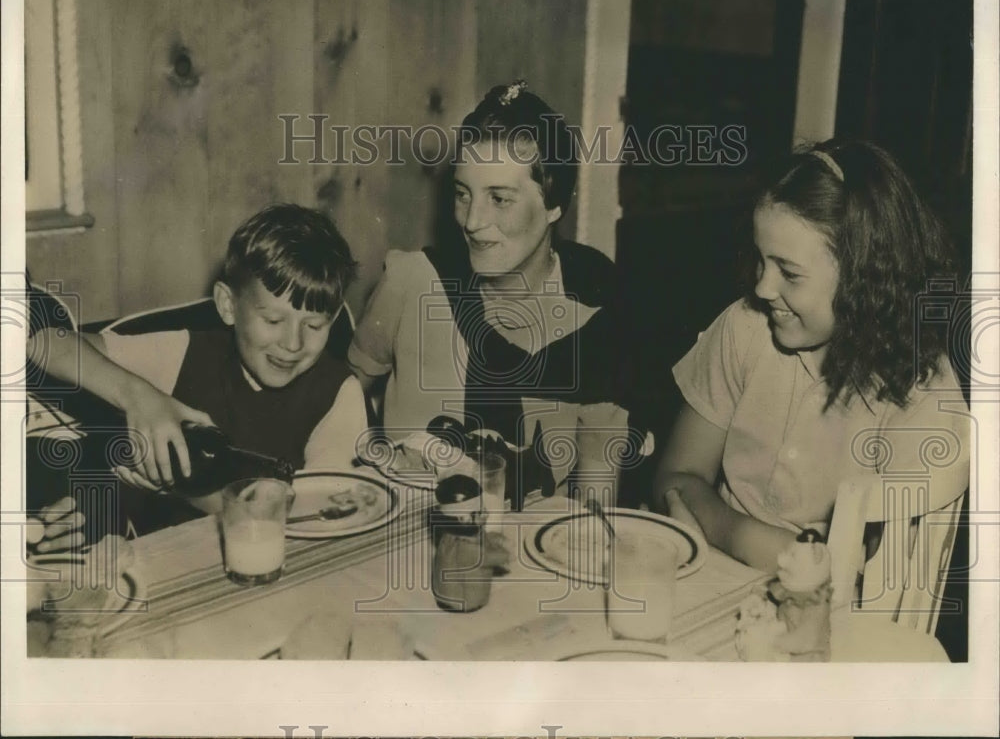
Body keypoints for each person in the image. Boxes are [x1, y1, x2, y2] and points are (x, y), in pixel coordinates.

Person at [653, 139, 970, 572]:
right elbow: (674, 477)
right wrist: (750, 538)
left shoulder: (920, 393)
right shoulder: (745, 328)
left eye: (789, 272)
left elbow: (866, 579)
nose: (763, 288)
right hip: (717, 570)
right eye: (762, 261)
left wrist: (720, 524)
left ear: (864, 278)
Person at [349, 81, 640, 507]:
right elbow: (340, 395)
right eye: (463, 194)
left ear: (555, 203)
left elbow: (596, 489)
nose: (471, 221)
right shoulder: (413, 282)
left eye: (499, 199)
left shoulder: (597, 303)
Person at [28, 204, 368, 520]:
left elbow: (314, 518)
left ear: (334, 318)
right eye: (273, 321)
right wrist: (139, 396)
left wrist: (179, 487)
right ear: (227, 305)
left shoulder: (338, 393)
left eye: (314, 325)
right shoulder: (186, 351)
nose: (293, 344)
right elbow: (43, 343)